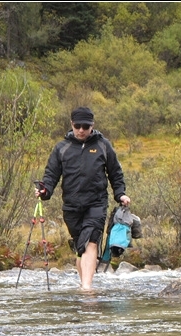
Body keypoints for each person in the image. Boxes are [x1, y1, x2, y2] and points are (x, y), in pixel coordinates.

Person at [36, 107, 131, 291]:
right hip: (71, 206)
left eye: (85, 126)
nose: (81, 130)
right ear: (71, 125)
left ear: (92, 126)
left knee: (91, 242)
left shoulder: (103, 145)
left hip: (96, 203)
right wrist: (44, 191)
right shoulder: (61, 148)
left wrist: (120, 194)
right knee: (81, 248)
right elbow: (51, 175)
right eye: (77, 126)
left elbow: (115, 173)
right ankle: (84, 284)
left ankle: (87, 289)